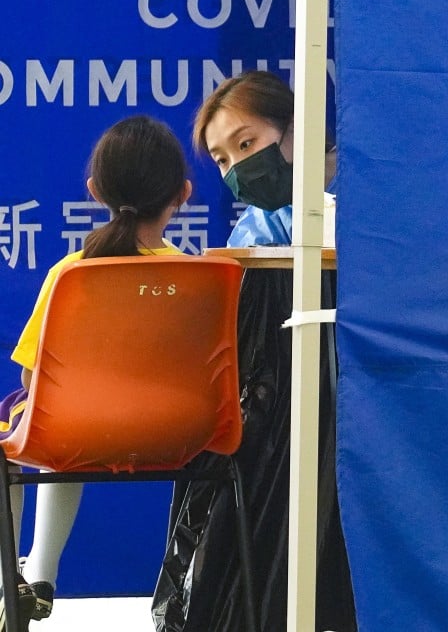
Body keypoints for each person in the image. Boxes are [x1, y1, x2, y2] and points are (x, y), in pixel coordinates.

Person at [0, 115, 192, 631]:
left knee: (26, 420)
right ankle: (34, 573)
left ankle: (26, 577)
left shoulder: (72, 273)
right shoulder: (200, 278)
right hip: (182, 435)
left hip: (74, 431)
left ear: (94, 191)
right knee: (55, 419)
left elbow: (32, 378)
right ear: (184, 193)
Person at [191, 69, 337, 246]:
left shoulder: (367, 182)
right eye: (222, 160)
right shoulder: (258, 227)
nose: (236, 168)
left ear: (294, 126)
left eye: (245, 144)